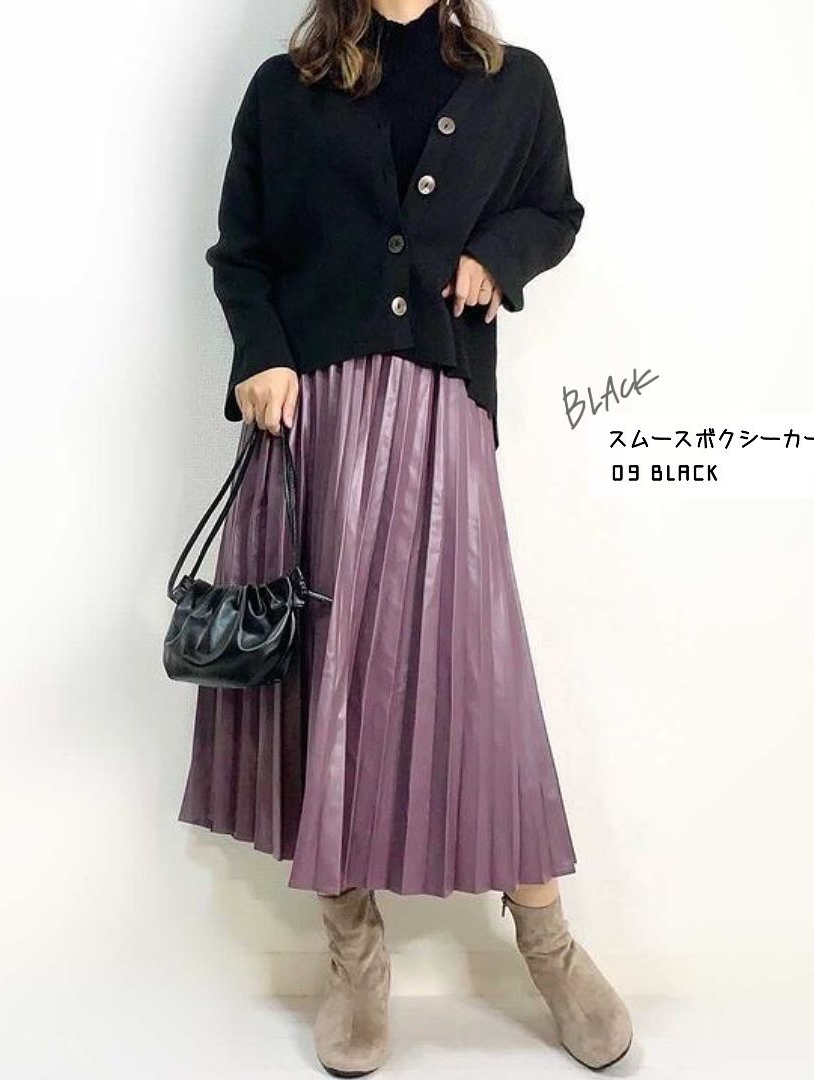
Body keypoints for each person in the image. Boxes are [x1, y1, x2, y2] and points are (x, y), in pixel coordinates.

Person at [176, 0, 632, 1073]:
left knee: (479, 680)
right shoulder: (283, 92)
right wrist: (261, 355)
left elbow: (554, 209)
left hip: (439, 413)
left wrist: (498, 258)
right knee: (326, 678)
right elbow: (241, 256)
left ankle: (547, 941)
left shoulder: (513, 83)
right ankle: (354, 957)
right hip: (314, 423)